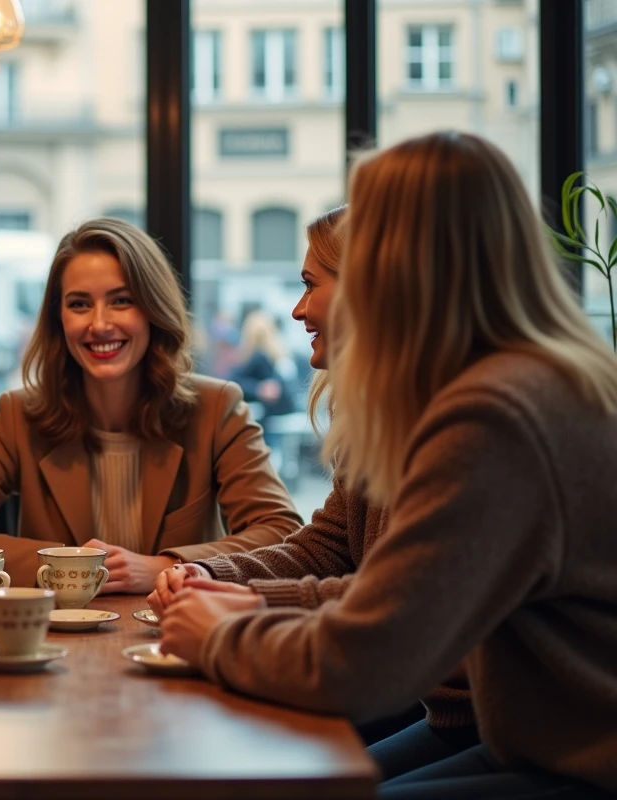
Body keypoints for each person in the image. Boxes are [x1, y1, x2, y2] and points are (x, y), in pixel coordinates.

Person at [157, 131, 617, 798]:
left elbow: (367, 663)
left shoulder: (498, 415)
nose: (298, 306)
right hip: (530, 741)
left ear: (398, 265)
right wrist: (241, 597)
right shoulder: (525, 382)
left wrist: (223, 634)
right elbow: (380, 586)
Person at [149, 205, 477, 774]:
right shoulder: (381, 417)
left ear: (371, 291)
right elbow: (325, 548)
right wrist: (213, 577)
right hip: (440, 707)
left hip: (500, 728)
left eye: (309, 285)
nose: (297, 310)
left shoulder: (461, 427)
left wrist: (245, 607)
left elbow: (399, 606)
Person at [0, 217, 303, 594]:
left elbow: (284, 536)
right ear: (58, 319)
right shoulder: (19, 417)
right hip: (54, 655)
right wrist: (64, 565)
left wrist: (166, 566)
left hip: (176, 643)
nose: (99, 324)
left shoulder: (216, 409)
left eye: (121, 300)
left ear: (153, 311)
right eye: (79, 304)